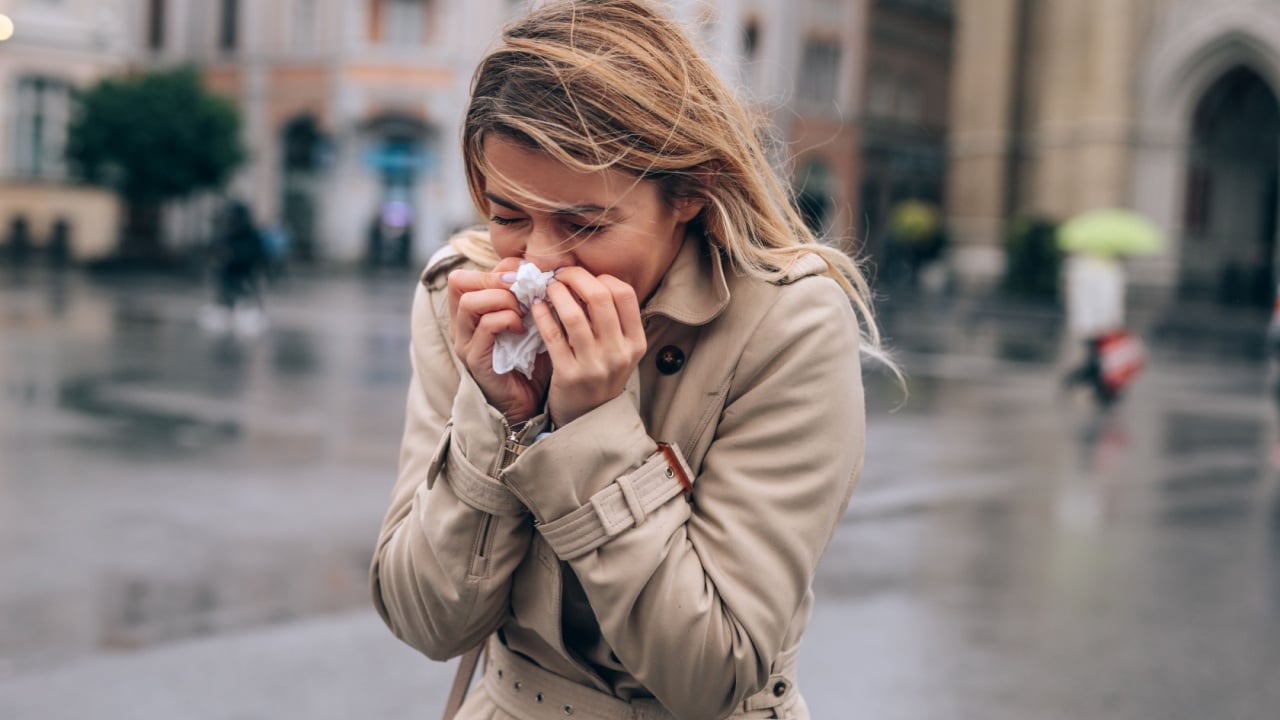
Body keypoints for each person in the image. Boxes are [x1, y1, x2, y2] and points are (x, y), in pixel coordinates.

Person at [369, 2, 892, 718]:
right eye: (508, 214)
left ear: (690, 191)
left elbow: (713, 669)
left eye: (584, 223)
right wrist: (497, 418)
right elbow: (428, 621)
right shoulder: (460, 296)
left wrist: (592, 429)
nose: (540, 262)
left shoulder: (787, 324)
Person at [1062, 250, 1126, 404]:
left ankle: (1086, 383)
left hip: (1092, 325)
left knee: (1098, 359)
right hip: (1101, 325)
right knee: (1100, 359)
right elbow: (1111, 302)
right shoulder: (1109, 270)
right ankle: (1097, 388)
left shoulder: (1081, 266)